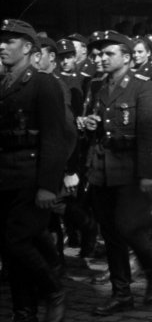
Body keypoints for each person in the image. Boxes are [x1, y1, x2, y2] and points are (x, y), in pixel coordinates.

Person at [81, 30, 152, 316]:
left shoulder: (143, 87)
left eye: (107, 54)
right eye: (97, 54)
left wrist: (148, 175)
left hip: (131, 170)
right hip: (102, 168)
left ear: (127, 58)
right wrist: (89, 124)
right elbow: (99, 123)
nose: (100, 59)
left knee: (129, 227)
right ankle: (121, 293)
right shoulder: (96, 86)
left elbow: (151, 134)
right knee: (111, 233)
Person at [0, 19, 70, 322]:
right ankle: (23, 311)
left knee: (15, 240)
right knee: (11, 250)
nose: (1, 46)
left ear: (28, 48)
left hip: (31, 176)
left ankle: (53, 290)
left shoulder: (43, 83)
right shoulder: (3, 83)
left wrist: (47, 186)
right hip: (5, 176)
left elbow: (56, 137)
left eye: (9, 41)